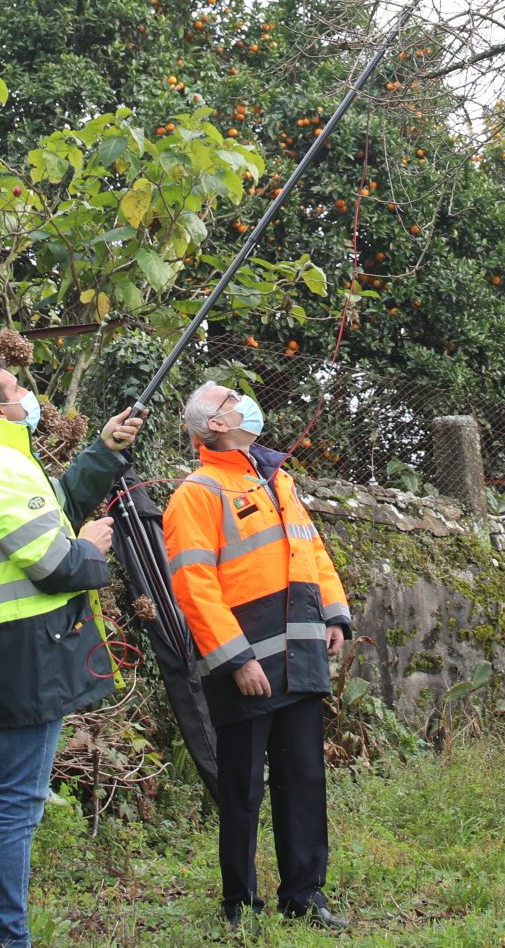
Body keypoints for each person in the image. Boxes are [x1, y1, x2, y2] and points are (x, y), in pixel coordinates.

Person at [0, 358, 142, 948]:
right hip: (27, 652)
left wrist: (102, 449)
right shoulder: (1, 468)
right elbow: (55, 563)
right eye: (18, 388)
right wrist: (93, 548)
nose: (30, 394)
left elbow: (54, 507)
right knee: (19, 804)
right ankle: (8, 938)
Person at [162, 381, 352, 931]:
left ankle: (305, 895)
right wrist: (236, 660)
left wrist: (334, 616)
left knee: (303, 777)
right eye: (230, 399)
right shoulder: (196, 494)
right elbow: (193, 586)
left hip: (301, 652)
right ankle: (238, 903)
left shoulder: (277, 479)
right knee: (243, 788)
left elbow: (312, 548)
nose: (244, 400)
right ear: (215, 425)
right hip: (245, 665)